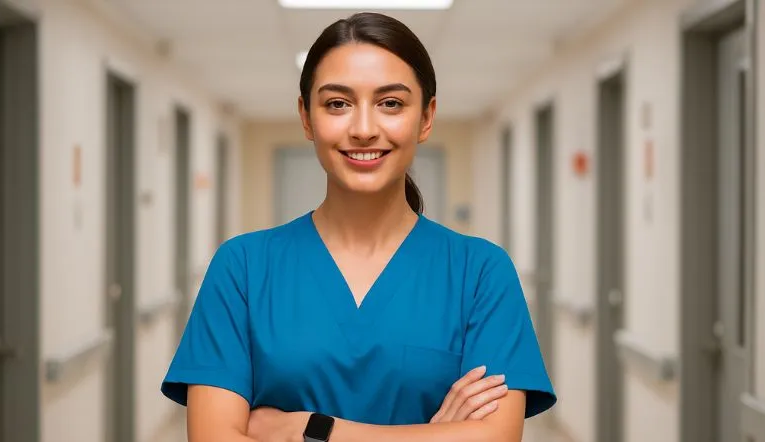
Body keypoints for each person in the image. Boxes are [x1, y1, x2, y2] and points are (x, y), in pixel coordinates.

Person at [161, 11, 556, 442]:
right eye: (337, 104)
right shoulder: (243, 268)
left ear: (426, 118)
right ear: (306, 117)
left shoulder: (480, 272)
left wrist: (309, 430)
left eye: (391, 103)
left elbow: (496, 438)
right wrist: (432, 435)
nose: (364, 129)